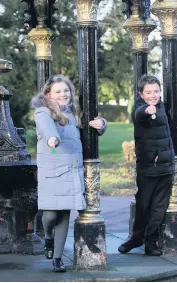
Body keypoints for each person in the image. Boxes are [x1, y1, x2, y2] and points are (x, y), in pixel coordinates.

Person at [31, 74, 107, 272]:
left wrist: (102, 124)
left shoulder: (75, 112)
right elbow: (47, 130)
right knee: (50, 215)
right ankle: (48, 237)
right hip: (53, 171)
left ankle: (57, 259)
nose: (63, 94)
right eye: (58, 91)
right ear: (48, 94)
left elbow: (94, 123)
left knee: (64, 214)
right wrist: (52, 139)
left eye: (66, 91)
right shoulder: (43, 112)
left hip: (71, 170)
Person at [118, 75, 175, 256]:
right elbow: (139, 114)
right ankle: (136, 238)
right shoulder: (141, 108)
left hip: (166, 168)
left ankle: (150, 242)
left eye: (156, 91)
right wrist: (147, 110)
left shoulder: (164, 107)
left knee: (159, 208)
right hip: (148, 168)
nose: (153, 95)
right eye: (148, 92)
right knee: (144, 206)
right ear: (141, 94)